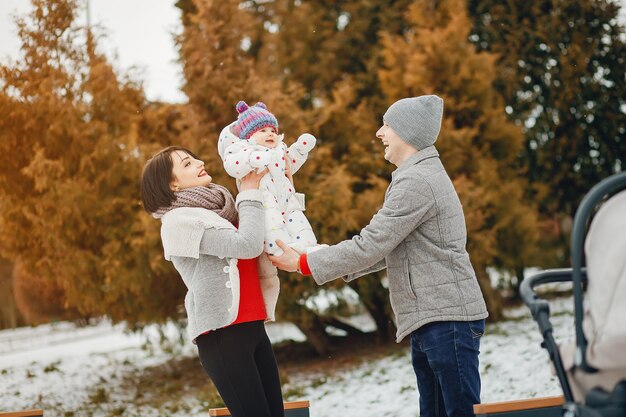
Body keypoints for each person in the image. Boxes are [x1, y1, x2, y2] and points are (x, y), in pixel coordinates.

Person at [269, 95, 489, 417]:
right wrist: (319, 257)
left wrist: (305, 263)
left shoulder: (417, 181)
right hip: (434, 318)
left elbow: (371, 244)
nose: (379, 133)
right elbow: (387, 248)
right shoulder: (416, 176)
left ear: (406, 133)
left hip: (446, 318)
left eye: (387, 125)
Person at [140, 146, 284, 417]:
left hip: (253, 325)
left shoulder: (220, 210)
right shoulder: (178, 222)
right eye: (187, 164)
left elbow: (264, 228)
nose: (199, 162)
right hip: (222, 335)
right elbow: (247, 245)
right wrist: (249, 192)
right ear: (172, 183)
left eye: (194, 158)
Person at [217, 101, 317, 256]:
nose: (270, 133)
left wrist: (300, 150)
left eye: (272, 130)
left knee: (299, 221)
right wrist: (252, 158)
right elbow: (231, 165)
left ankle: (309, 248)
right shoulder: (242, 149)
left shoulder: (279, 149)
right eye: (263, 130)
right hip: (264, 199)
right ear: (248, 136)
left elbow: (289, 164)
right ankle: (279, 249)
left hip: (286, 197)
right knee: (273, 223)